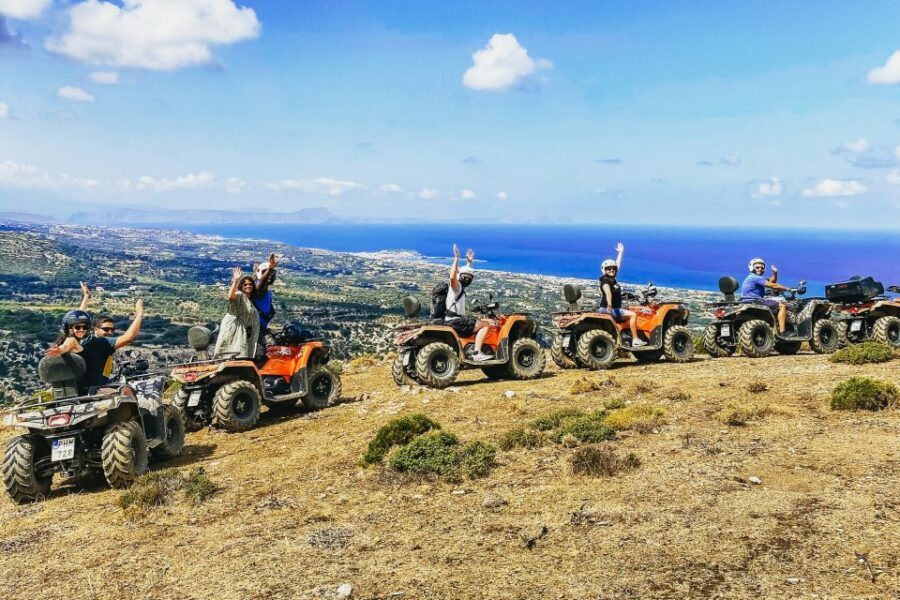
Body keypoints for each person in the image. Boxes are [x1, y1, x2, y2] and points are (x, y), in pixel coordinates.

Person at [46, 299, 144, 394]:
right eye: (77, 327)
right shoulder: (85, 342)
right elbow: (129, 337)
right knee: (126, 391)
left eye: (84, 327)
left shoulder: (82, 341)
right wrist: (139, 314)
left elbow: (77, 320)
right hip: (90, 390)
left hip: (74, 389)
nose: (81, 329)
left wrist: (86, 298)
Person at [446, 244, 492, 361]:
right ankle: (477, 353)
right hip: (455, 321)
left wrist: (469, 263)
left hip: (453, 320)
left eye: (469, 277)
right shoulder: (456, 287)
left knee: (478, 321)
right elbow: (452, 277)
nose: (468, 279)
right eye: (467, 277)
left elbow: (461, 274)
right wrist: (456, 257)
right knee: (485, 325)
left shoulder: (458, 286)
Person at [598, 242, 646, 347]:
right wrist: (610, 305)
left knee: (627, 310)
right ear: (604, 270)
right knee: (633, 314)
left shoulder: (612, 279)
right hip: (609, 309)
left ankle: (625, 335)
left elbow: (617, 265)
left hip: (606, 308)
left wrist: (620, 253)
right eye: (609, 269)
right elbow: (608, 292)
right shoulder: (606, 280)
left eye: (613, 269)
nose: (612, 270)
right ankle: (635, 339)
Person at [213, 266, 260, 358]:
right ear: (241, 286)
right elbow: (230, 297)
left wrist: (255, 274)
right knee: (230, 350)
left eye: (250, 284)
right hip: (233, 327)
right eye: (245, 285)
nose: (248, 286)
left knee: (239, 350)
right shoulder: (239, 295)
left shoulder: (249, 298)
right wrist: (235, 280)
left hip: (242, 329)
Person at [741, 257, 789, 333]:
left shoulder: (754, 278)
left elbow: (771, 281)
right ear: (752, 267)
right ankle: (782, 332)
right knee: (782, 306)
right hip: (755, 301)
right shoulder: (755, 278)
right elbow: (773, 286)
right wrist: (788, 289)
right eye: (757, 267)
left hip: (749, 301)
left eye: (762, 268)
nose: (760, 269)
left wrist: (775, 273)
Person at [251, 252, 278, 332]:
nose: (270, 276)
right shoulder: (258, 288)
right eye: (267, 274)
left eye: (272, 273)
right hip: (256, 328)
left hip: (259, 326)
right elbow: (261, 283)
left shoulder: (263, 289)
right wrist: (269, 269)